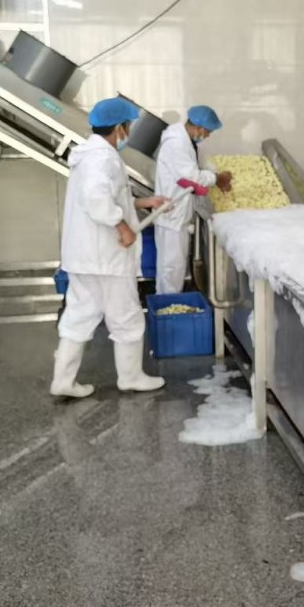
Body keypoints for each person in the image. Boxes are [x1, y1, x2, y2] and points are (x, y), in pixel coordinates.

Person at [50, 96, 170, 399]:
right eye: (127, 126)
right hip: (106, 256)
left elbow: (108, 197)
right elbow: (97, 199)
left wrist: (144, 202)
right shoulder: (102, 158)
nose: (128, 132)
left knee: (79, 315)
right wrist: (122, 226)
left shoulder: (88, 155)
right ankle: (131, 377)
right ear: (119, 128)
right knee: (126, 316)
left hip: (85, 257)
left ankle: (63, 380)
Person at [154, 105, 232, 294]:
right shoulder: (176, 144)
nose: (208, 136)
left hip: (177, 215)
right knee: (171, 268)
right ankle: (168, 305)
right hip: (172, 217)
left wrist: (213, 173)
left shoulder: (185, 141)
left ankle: (171, 302)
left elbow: (192, 170)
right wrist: (217, 178)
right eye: (208, 132)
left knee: (175, 267)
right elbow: (191, 176)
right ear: (199, 128)